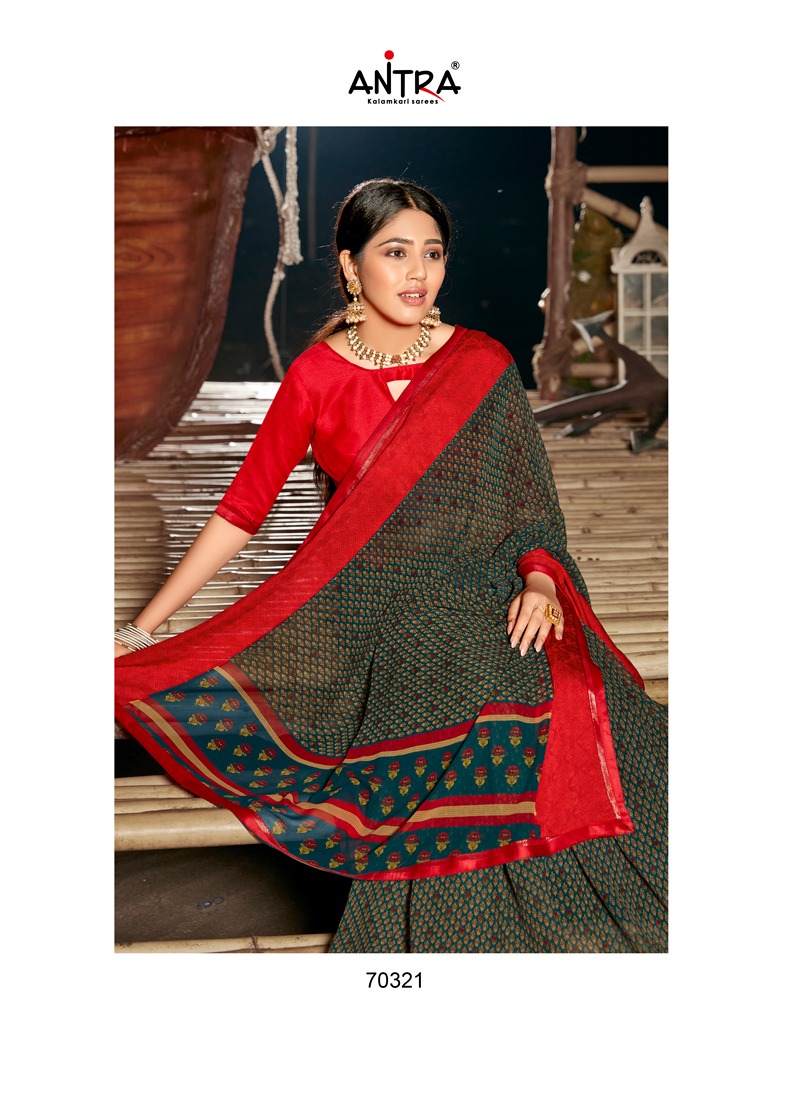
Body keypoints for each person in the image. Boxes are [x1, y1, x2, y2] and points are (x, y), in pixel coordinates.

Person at [115, 177, 667, 953]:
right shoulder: (317, 377)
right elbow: (242, 512)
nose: (418, 273)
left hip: (488, 588)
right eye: (396, 252)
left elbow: (531, 511)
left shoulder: (482, 363)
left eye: (432, 254)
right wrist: (141, 631)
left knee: (570, 687)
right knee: (479, 687)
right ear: (351, 266)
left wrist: (541, 581)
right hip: (373, 605)